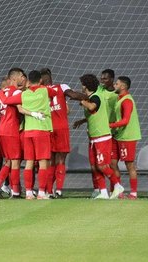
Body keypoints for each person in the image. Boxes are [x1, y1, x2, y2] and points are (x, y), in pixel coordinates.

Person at [0, 70, 55, 200]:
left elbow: (6, 101)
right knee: (42, 162)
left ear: (28, 81)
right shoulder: (45, 90)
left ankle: (28, 193)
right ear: (40, 80)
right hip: (42, 130)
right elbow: (56, 93)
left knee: (29, 162)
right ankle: (41, 193)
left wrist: (1, 92)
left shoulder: (24, 95)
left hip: (28, 132)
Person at [73, 74, 124, 199]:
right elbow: (95, 114)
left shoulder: (96, 97)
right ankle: (103, 192)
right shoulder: (90, 97)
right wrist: (82, 121)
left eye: (82, 84)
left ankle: (117, 186)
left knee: (102, 166)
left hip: (102, 136)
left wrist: (81, 101)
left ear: (85, 86)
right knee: (95, 166)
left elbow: (92, 107)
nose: (81, 87)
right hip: (93, 137)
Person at [40, 68, 87, 198]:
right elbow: (73, 95)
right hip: (61, 128)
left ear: (40, 79)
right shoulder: (62, 87)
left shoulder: (39, 91)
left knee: (49, 161)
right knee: (61, 160)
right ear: (51, 77)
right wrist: (87, 97)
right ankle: (59, 190)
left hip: (47, 128)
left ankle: (48, 191)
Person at [0, 68, 29, 199]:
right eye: (20, 76)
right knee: (15, 161)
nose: (22, 79)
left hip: (1, 130)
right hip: (11, 130)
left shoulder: (2, 92)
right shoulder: (17, 92)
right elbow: (20, 108)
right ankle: (16, 192)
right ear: (14, 78)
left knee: (8, 161)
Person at [109, 76, 141, 199]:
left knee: (129, 165)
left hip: (128, 137)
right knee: (112, 163)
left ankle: (133, 193)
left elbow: (125, 120)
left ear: (123, 86)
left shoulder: (127, 100)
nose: (114, 86)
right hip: (118, 135)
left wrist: (109, 125)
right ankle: (119, 191)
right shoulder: (119, 99)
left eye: (116, 84)